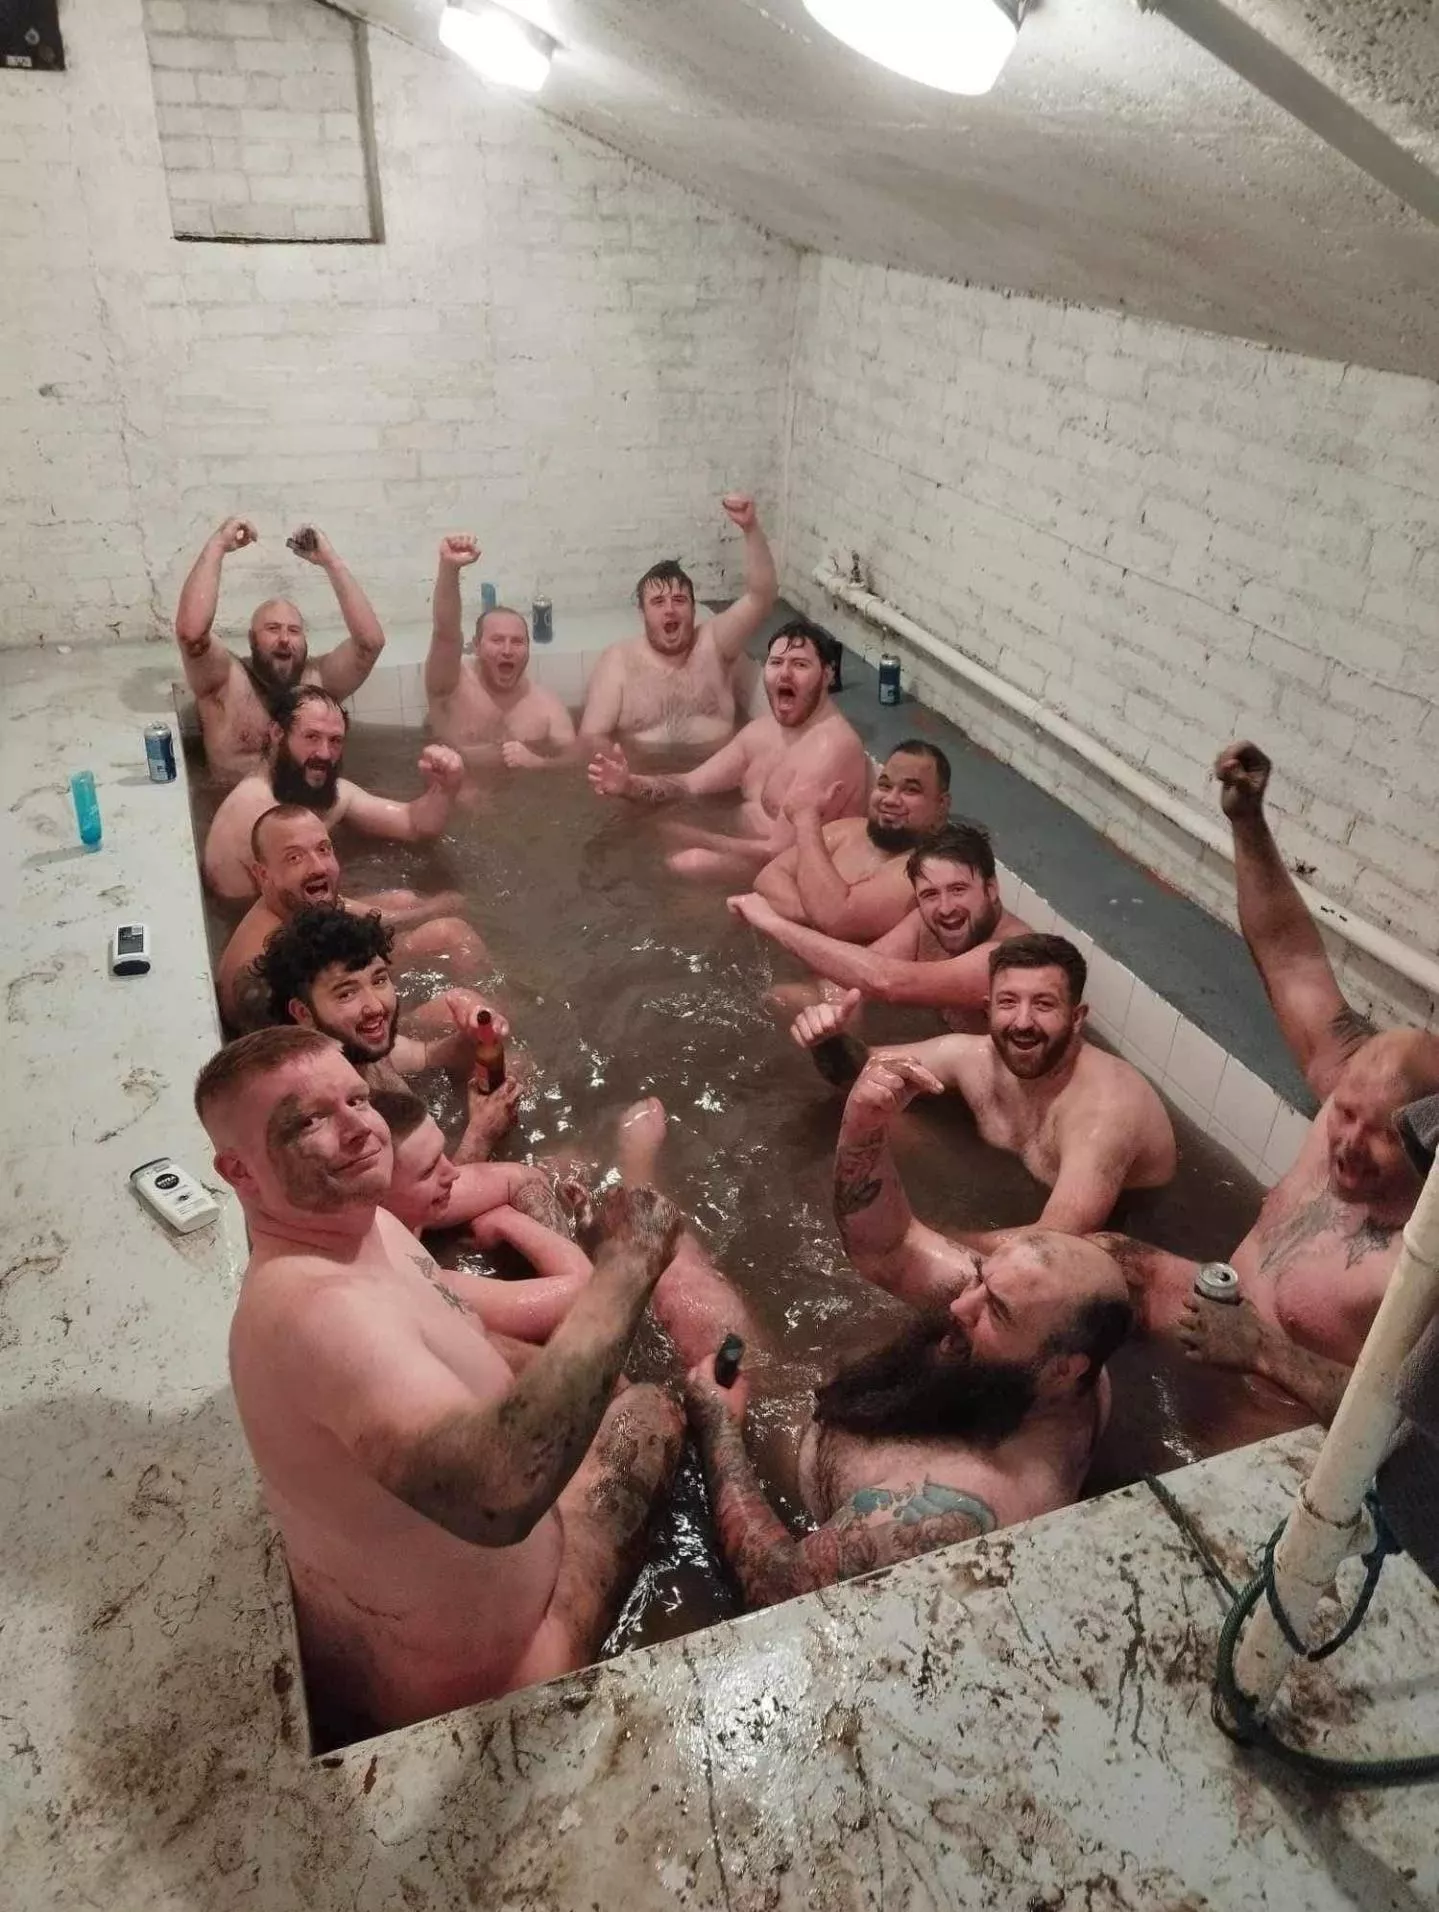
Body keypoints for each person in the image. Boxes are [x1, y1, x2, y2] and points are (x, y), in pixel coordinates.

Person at [196, 1026, 686, 1735]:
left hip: (432, 1610)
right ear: (239, 1172)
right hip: (492, 1674)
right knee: (656, 1412)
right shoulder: (316, 1314)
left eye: (357, 1099)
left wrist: (576, 1379)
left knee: (613, 1396)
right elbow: (498, 1496)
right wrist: (629, 1262)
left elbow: (465, 1332)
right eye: (308, 1121)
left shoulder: (363, 1224)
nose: (359, 1128)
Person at [1096, 740, 1439, 1423]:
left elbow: (1410, 1428)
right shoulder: (1355, 1073)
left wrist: (1262, 1352)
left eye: (1380, 1137)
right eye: (1344, 1113)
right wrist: (1247, 820)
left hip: (1272, 1420)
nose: (1346, 1142)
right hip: (1215, 1322)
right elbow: (1290, 958)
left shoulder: (1427, 1248)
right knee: (1087, 1263)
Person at [791, 934, 1176, 1234]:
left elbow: (1056, 1240)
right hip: (1009, 1198)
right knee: (878, 1111)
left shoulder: (1106, 1108)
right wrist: (828, 1041)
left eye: (1043, 1004)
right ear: (988, 1008)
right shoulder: (972, 1057)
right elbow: (859, 1072)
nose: (1022, 1022)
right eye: (1008, 1002)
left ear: (1077, 1018)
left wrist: (917, 1241)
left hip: (1124, 1230)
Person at [589, 620, 869, 885]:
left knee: (690, 862)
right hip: (749, 848)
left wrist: (694, 836)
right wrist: (629, 785)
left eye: (799, 664)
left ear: (827, 675)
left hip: (792, 869)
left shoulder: (830, 748)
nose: (784, 673)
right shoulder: (763, 732)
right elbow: (690, 784)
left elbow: (778, 852)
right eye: (776, 662)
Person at [251, 903, 512, 1158]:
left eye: (378, 980)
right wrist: (480, 1136)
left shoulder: (357, 1050)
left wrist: (475, 1036)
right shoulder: (332, 1116)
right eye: (346, 993)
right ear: (303, 1013)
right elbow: (428, 1187)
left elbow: (429, 1056)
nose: (376, 1006)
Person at [730, 820, 1029, 1033]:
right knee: (775, 1001)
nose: (945, 908)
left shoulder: (1011, 957)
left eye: (958, 890)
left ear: (991, 889)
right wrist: (823, 1012)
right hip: (939, 1059)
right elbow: (852, 981)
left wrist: (774, 924)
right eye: (930, 894)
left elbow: (885, 981)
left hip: (981, 1097)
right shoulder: (927, 925)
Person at [217, 805, 487, 1032]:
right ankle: (502, 1029)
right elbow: (325, 1051)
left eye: (323, 849)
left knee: (403, 900)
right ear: (262, 874)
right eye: (295, 857)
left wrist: (430, 909)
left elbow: (362, 913)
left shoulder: (295, 904)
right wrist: (429, 1039)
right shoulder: (264, 974)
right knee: (454, 949)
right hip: (338, 1042)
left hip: (336, 1003)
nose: (318, 867)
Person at [174, 517, 387, 783]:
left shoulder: (318, 682)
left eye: (294, 631)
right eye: (273, 629)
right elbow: (192, 635)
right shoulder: (226, 683)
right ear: (252, 639)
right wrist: (217, 545)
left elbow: (370, 644)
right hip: (235, 802)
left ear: (305, 641)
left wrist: (330, 561)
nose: (285, 639)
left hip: (310, 802)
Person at [202, 685, 464, 900]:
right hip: (256, 926)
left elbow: (414, 825)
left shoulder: (325, 793)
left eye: (335, 740)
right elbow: (301, 910)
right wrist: (428, 910)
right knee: (423, 915)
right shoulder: (256, 812)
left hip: (303, 912)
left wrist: (445, 789)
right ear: (277, 733)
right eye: (312, 737)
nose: (325, 754)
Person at [578, 495, 778, 750]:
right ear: (642, 613)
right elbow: (591, 738)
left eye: (680, 600)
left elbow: (761, 597)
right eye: (658, 602)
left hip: (718, 769)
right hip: (642, 773)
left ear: (694, 609)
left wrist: (751, 528)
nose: (670, 610)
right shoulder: (618, 662)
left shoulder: (715, 644)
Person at [373, 1084, 590, 1280]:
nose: (453, 1173)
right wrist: (508, 1222)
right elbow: (581, 1286)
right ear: (377, 1197)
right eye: (428, 1170)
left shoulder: (398, 1202)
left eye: (441, 1155)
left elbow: (523, 1179)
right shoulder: (399, 1280)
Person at [753, 740, 952, 941]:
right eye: (884, 785)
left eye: (911, 790)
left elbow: (836, 919)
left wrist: (805, 820)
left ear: (942, 805)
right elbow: (768, 877)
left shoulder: (928, 870)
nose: (891, 799)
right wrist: (812, 912)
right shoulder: (847, 830)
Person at [424, 535, 577, 773]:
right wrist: (449, 569)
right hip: (459, 789)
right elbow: (446, 633)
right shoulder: (452, 687)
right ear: (476, 646)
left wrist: (540, 763)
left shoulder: (547, 708)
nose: (507, 650)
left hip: (522, 791)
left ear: (528, 649)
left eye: (517, 642)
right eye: (497, 640)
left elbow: (575, 761)